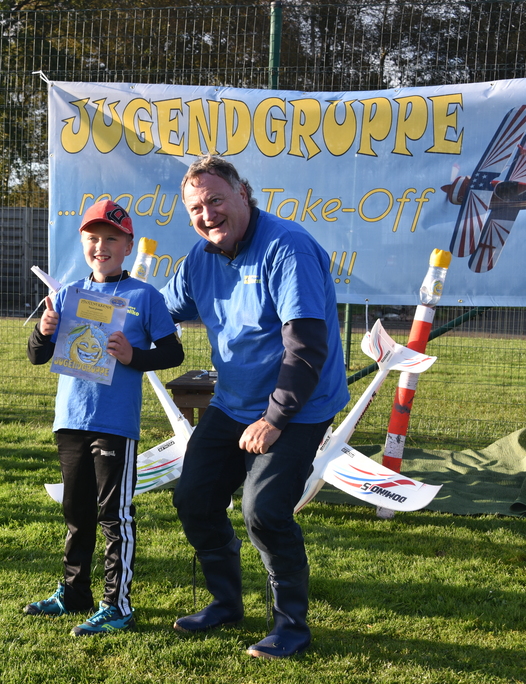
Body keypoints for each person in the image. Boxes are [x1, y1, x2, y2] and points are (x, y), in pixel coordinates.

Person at [161, 155, 350, 659]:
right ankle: (225, 604)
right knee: (194, 498)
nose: (207, 214)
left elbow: (305, 348)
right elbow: (158, 311)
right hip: (233, 402)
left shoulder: (288, 247)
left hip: (298, 405)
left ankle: (291, 627)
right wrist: (93, 310)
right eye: (196, 208)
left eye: (216, 200)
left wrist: (273, 418)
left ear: (242, 193)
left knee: (264, 510)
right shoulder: (200, 258)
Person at [25, 199, 184, 636]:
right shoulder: (67, 294)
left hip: (114, 423)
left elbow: (173, 352)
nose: (102, 246)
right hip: (70, 419)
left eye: (112, 239)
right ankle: (75, 592)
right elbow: (37, 356)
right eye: (93, 238)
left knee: (114, 516)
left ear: (128, 246)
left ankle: (117, 605)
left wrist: (134, 356)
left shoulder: (144, 297)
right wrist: (44, 329)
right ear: (83, 243)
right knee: (76, 513)